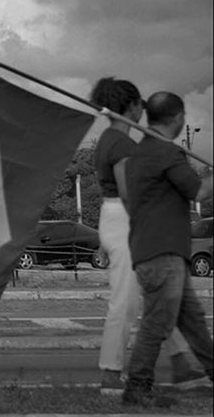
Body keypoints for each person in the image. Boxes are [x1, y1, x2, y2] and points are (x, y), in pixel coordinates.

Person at [88, 78, 206, 396]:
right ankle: (112, 373)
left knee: (164, 298)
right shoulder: (121, 144)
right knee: (127, 300)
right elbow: (131, 194)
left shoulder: (109, 139)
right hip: (127, 218)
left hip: (117, 217)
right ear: (130, 106)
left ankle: (185, 364)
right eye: (139, 103)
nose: (142, 109)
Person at [123, 91, 214, 407]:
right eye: (183, 116)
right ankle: (137, 387)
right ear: (177, 118)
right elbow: (199, 192)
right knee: (157, 322)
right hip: (164, 253)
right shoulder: (166, 153)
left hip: (151, 250)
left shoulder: (139, 154)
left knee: (192, 320)